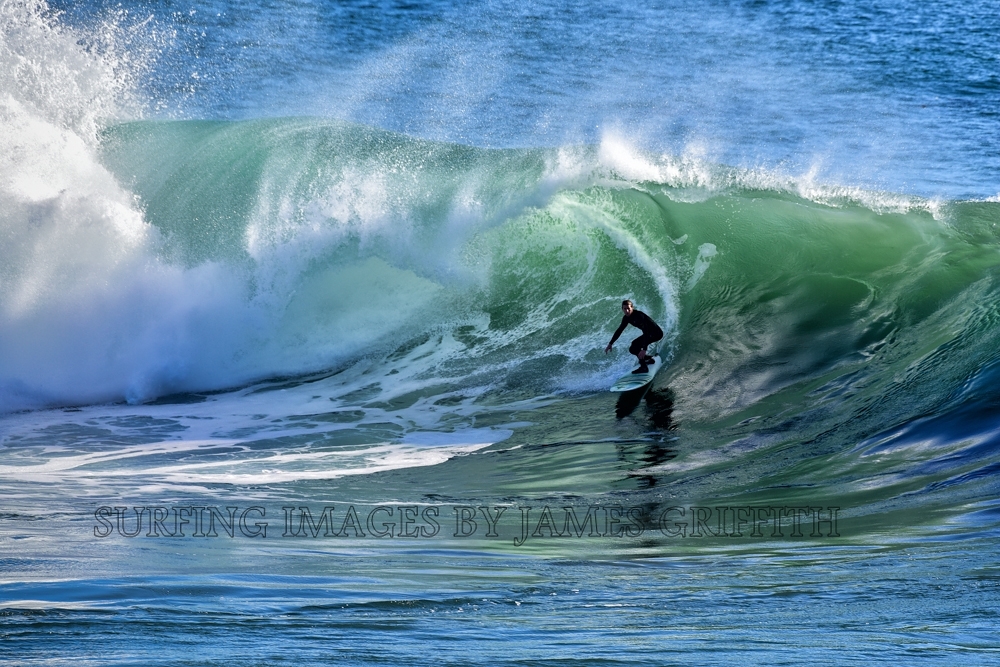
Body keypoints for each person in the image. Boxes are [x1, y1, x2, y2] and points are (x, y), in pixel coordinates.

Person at [605, 300, 663, 373]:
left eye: (628, 308)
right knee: (632, 348)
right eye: (625, 309)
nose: (627, 310)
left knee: (635, 345)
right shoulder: (626, 318)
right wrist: (610, 343)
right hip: (649, 333)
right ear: (622, 309)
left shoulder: (638, 316)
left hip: (656, 333)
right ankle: (648, 359)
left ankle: (644, 367)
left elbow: (646, 331)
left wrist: (644, 349)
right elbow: (619, 330)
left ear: (632, 308)